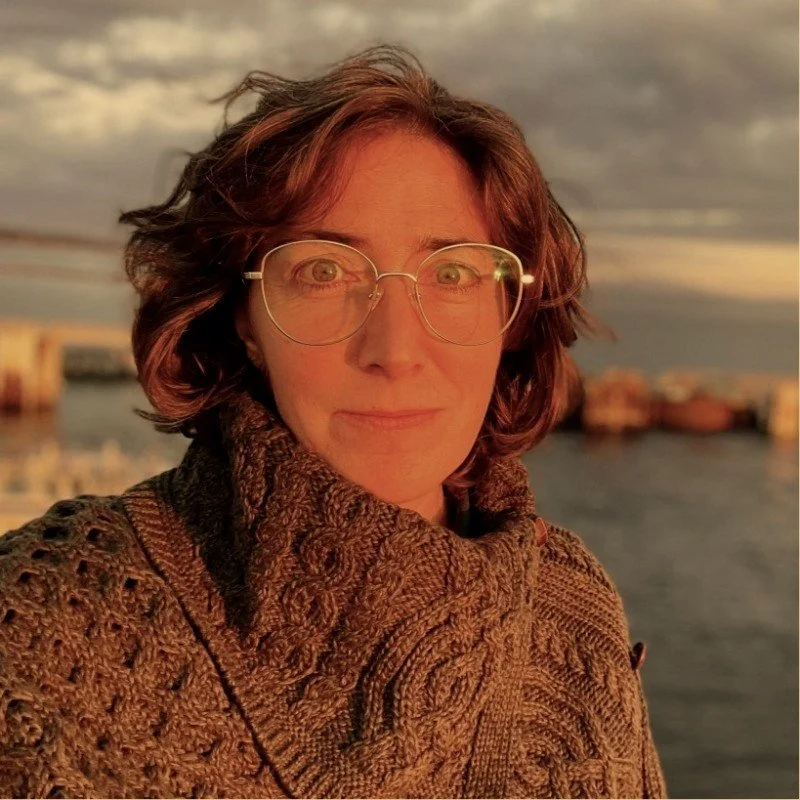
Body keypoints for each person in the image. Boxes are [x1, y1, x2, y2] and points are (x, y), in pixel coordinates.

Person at [0, 45, 666, 798]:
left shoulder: (573, 608)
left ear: (508, 314)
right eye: (324, 271)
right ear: (243, 318)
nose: (395, 349)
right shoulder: (44, 628)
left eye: (451, 274)